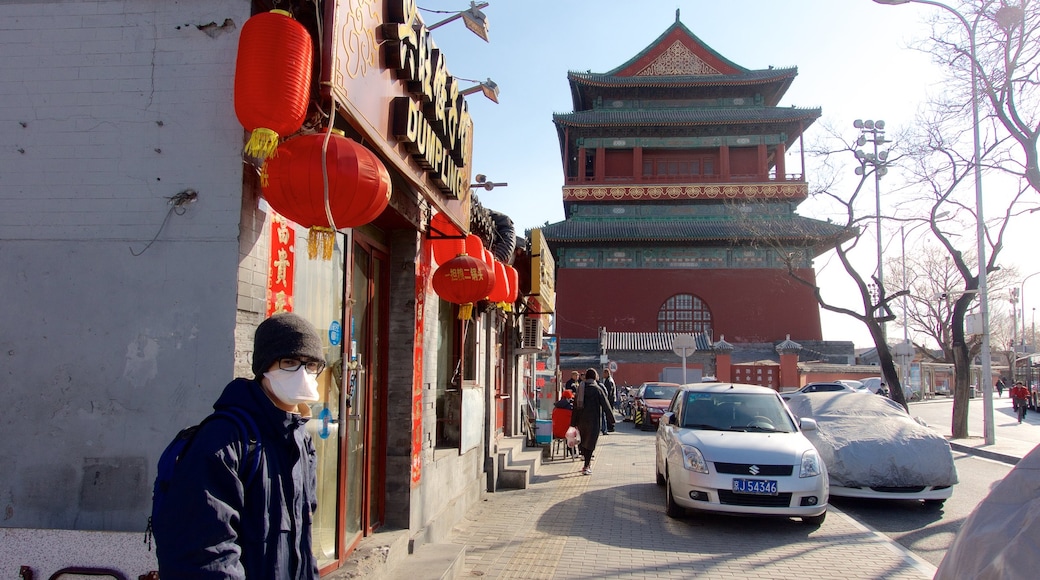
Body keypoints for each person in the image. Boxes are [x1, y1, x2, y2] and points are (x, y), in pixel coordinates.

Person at [153, 312, 324, 579]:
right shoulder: (224, 440)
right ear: (265, 366)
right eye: (289, 362)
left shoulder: (300, 439)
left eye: (311, 365)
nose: (302, 373)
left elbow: (302, 539)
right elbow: (206, 553)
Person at [570, 368, 616, 475]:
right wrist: (612, 420)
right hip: (594, 421)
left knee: (583, 441)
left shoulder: (580, 389)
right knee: (590, 443)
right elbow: (606, 405)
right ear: (595, 377)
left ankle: (586, 463)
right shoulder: (597, 389)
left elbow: (575, 407)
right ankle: (586, 465)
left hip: (581, 421)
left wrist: (573, 423)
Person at [600, 369, 617, 434]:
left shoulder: (609, 381)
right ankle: (610, 426)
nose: (603, 375)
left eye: (604, 373)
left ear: (606, 373)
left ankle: (611, 426)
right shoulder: (609, 380)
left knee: (609, 412)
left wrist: (606, 399)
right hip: (611, 399)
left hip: (610, 400)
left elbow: (609, 392)